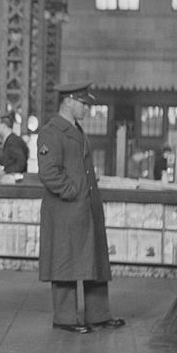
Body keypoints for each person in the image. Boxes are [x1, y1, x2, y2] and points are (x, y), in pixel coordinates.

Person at [37, 81, 124, 333]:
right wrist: (72, 192)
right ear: (68, 102)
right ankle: (65, 318)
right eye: (83, 103)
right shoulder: (52, 132)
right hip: (67, 209)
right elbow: (49, 172)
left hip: (84, 207)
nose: (87, 108)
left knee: (93, 259)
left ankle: (98, 314)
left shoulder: (75, 129)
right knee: (64, 261)